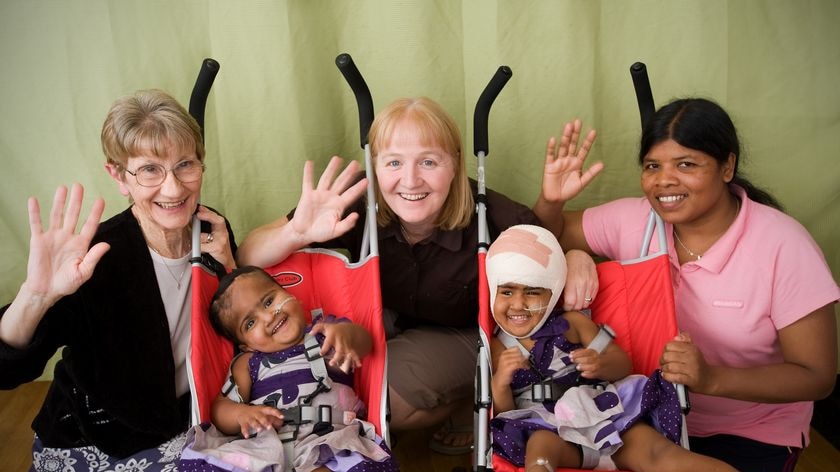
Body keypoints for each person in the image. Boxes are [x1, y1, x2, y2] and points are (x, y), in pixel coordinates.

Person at [236, 97, 599, 454]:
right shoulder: (358, 198)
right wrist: (295, 233)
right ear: (374, 166)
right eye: (393, 162)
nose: (410, 180)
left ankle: (464, 405)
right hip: (392, 316)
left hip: (466, 330)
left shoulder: (489, 212)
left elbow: (542, 246)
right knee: (332, 362)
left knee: (381, 393)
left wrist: (575, 254)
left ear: (455, 164)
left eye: (428, 161)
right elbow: (248, 254)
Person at [535, 97, 839, 471]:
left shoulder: (783, 245)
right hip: (643, 416)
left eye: (686, 164)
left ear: (727, 166)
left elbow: (817, 376)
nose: (664, 180)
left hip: (749, 431)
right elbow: (544, 237)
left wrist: (713, 379)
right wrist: (565, 235)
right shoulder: (638, 219)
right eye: (652, 166)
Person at [0, 90, 237, 469]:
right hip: (94, 439)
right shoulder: (94, 257)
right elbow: (7, 369)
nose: (173, 189)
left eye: (185, 165)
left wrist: (230, 264)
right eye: (149, 170)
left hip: (181, 424)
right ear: (118, 175)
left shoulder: (210, 231)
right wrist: (36, 297)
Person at [487, 224, 736, 471]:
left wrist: (600, 364)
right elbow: (505, 413)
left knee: (657, 453)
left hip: (606, 417)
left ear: (552, 294)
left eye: (532, 292)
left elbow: (622, 364)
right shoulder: (498, 348)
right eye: (506, 292)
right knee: (539, 450)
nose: (518, 304)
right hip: (549, 429)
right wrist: (500, 381)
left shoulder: (573, 323)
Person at [180, 266, 398, 471]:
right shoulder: (247, 363)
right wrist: (241, 414)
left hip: (330, 439)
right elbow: (220, 408)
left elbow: (365, 344)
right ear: (246, 345)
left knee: (352, 462)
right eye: (249, 323)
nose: (268, 317)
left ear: (290, 295)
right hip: (266, 449)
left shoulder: (325, 334)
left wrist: (347, 335)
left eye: (268, 301)